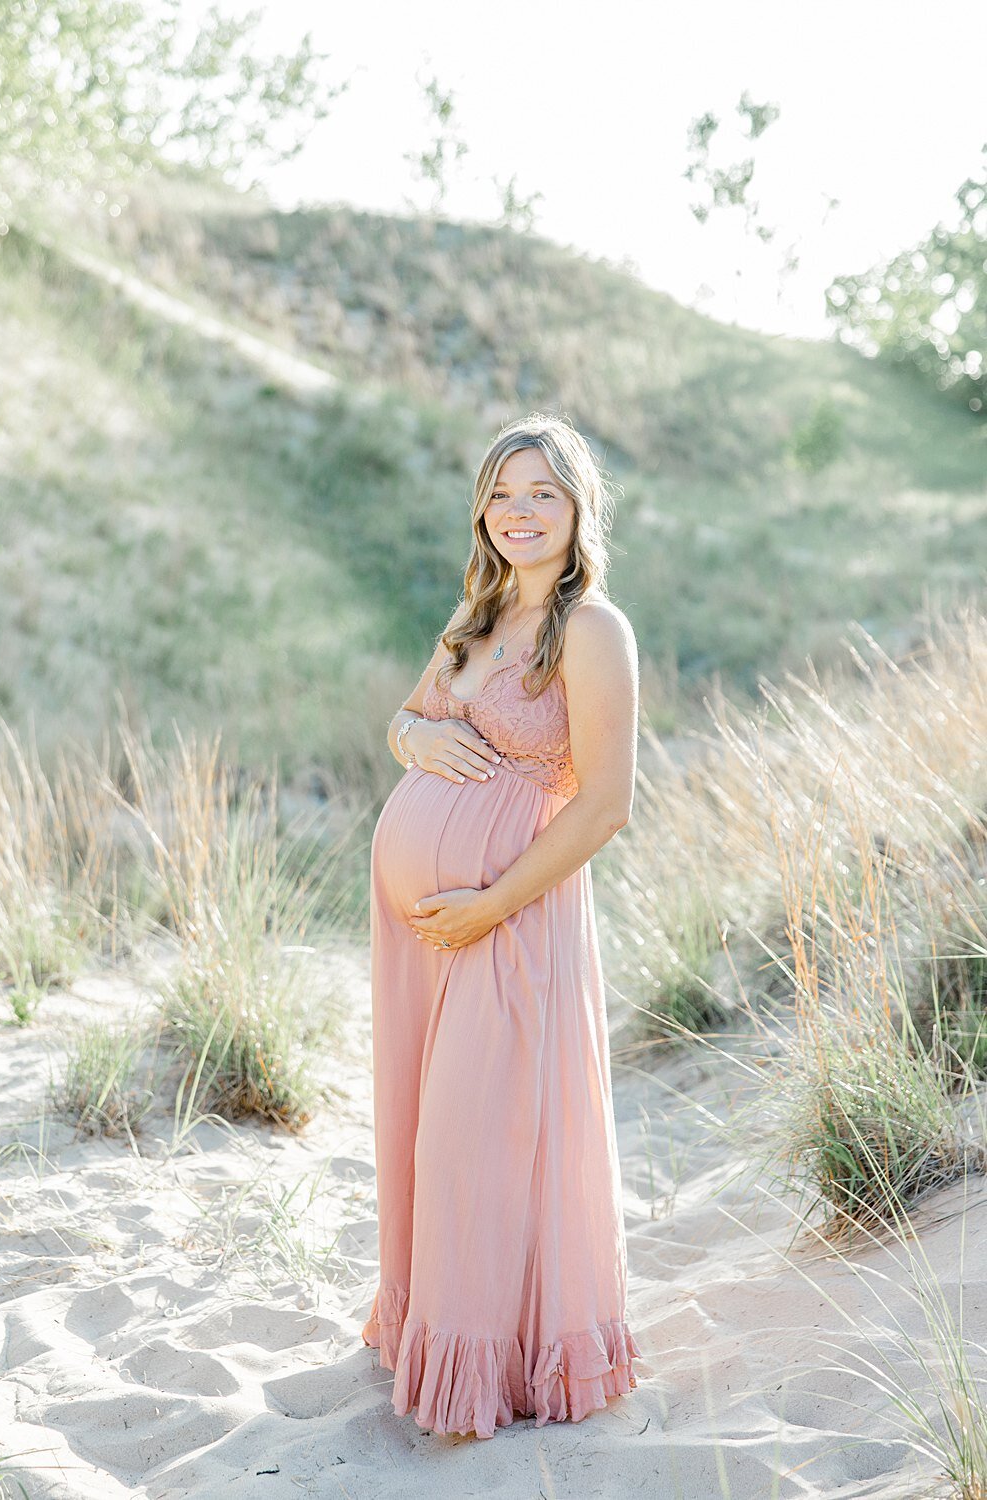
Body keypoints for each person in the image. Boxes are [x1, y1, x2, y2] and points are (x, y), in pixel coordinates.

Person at [361, 411, 641, 1439]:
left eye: (544, 495)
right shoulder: (472, 622)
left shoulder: (593, 632)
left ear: (577, 511)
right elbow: (404, 720)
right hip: (420, 936)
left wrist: (488, 901)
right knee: (426, 1129)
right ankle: (427, 1327)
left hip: (510, 916)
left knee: (479, 1138)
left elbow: (606, 804)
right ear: (481, 509)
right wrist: (413, 738)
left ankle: (484, 1375)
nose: (521, 513)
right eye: (504, 493)